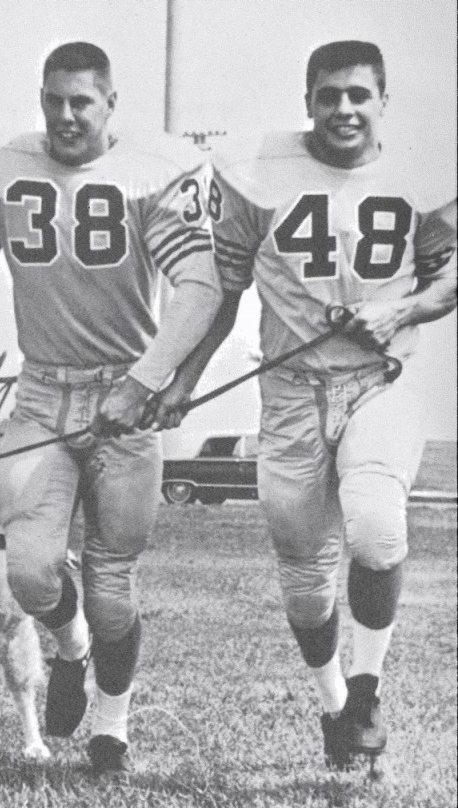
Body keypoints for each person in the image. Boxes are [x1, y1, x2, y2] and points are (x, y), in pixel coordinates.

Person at [151, 40, 457, 769]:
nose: (344, 109)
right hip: (288, 391)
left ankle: (368, 689)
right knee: (303, 579)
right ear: (308, 101)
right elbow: (224, 293)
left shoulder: (424, 172)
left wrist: (400, 312)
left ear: (383, 100)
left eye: (358, 94)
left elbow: (450, 281)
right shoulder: (259, 174)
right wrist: (183, 383)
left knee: (378, 531)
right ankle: (333, 708)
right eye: (329, 95)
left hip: (380, 379)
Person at [0, 41, 223, 777]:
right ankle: (70, 647)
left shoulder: (152, 172)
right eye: (53, 100)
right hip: (42, 393)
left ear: (110, 103)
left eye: (80, 101)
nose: (64, 116)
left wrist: (146, 383)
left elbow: (201, 288)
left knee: (113, 580)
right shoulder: (2, 169)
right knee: (29, 573)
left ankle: (112, 727)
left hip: (125, 392)